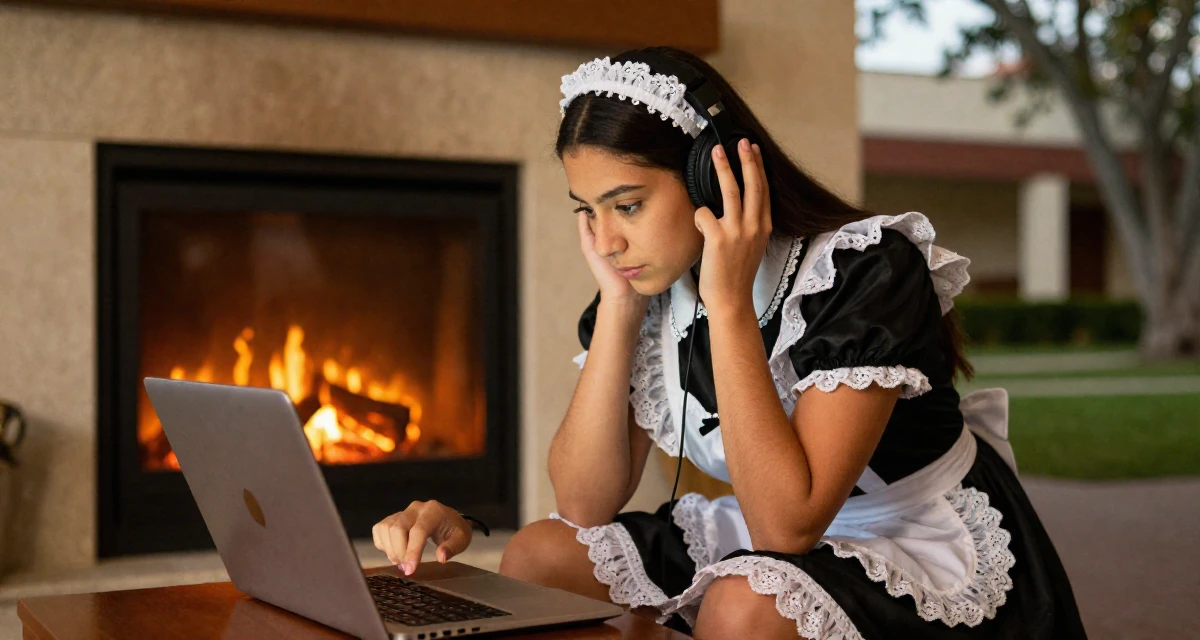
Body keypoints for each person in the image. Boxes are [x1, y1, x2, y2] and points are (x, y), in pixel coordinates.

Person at [371, 46, 1088, 639]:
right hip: (776, 522)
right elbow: (583, 503)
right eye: (587, 212)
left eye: (627, 205)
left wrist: (729, 307)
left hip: (911, 534)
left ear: (710, 179)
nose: (607, 239)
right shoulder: (645, 285)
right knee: (540, 552)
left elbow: (787, 525)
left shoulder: (863, 270)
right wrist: (621, 308)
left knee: (744, 600)